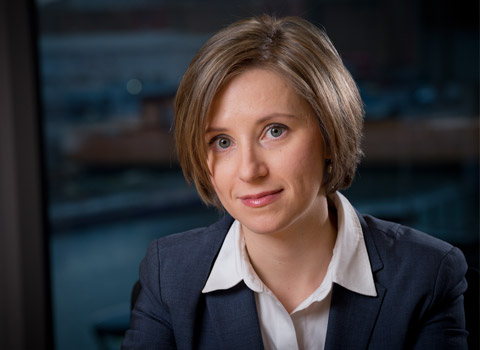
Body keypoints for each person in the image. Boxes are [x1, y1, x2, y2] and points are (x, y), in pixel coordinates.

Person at [122, 15, 468, 350]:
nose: (249, 170)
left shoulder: (427, 275)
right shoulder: (169, 275)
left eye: (275, 131)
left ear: (330, 135)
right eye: (222, 142)